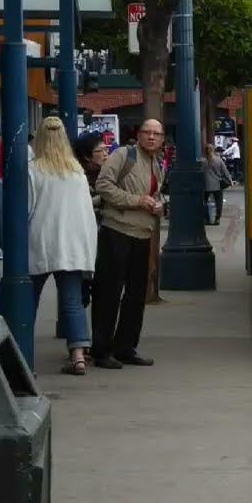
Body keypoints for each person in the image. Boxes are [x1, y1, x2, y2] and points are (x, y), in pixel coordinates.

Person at [93, 118, 166, 368]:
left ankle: (126, 347)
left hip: (143, 235)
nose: (152, 137)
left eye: (157, 133)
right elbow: (103, 185)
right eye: (147, 132)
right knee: (109, 293)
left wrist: (158, 206)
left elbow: (154, 195)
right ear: (139, 134)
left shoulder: (157, 165)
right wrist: (136, 201)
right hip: (117, 231)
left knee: (136, 296)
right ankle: (101, 350)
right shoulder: (124, 155)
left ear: (162, 139)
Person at [29, 117, 98, 375]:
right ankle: (79, 355)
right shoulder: (76, 172)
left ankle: (22, 352)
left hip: (40, 242)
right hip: (71, 245)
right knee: (72, 302)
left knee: (29, 298)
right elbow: (85, 213)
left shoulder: (33, 170)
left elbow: (26, 209)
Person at [203, 144, 233, 225]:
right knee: (218, 202)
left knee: (204, 202)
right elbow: (225, 172)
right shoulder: (219, 160)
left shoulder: (203, 161)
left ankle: (206, 219)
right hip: (217, 185)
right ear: (213, 150)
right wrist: (230, 181)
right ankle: (217, 219)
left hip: (206, 185)